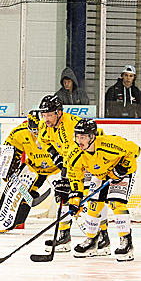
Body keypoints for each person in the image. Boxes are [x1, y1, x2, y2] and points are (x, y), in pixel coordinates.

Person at [37, 94, 109, 252]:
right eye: (44, 115)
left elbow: (76, 154)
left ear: (59, 113)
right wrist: (56, 157)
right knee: (62, 195)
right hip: (76, 160)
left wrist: (65, 173)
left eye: (49, 114)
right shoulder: (45, 125)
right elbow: (45, 142)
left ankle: (103, 236)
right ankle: (63, 236)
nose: (46, 118)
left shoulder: (70, 126)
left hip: (94, 158)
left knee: (94, 199)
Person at [65, 118, 140, 260]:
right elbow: (75, 176)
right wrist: (75, 199)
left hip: (122, 172)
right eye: (77, 136)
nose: (79, 141)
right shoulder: (74, 152)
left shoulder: (109, 144)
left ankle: (126, 242)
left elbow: (135, 149)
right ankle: (92, 241)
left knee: (116, 203)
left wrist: (122, 168)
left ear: (92, 136)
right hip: (100, 174)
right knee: (92, 206)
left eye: (83, 137)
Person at [0, 110, 59, 232]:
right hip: (34, 167)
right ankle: (9, 221)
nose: (36, 134)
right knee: (15, 192)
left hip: (56, 169)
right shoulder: (20, 132)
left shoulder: (55, 130)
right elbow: (8, 151)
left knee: (65, 195)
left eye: (38, 131)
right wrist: (6, 168)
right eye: (33, 131)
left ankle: (69, 228)